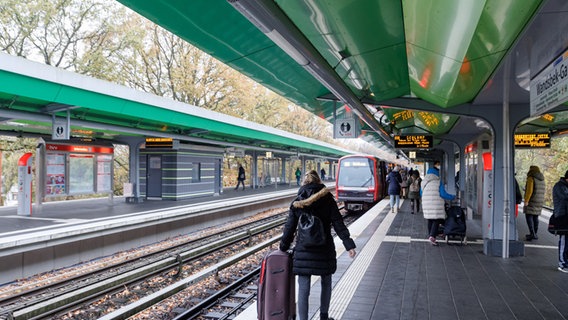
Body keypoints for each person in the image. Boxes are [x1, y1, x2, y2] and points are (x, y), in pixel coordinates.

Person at [280, 170, 356, 320]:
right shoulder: (328, 199)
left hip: (303, 249)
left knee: (303, 287)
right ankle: (324, 316)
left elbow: (289, 228)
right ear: (319, 181)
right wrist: (349, 245)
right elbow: (338, 223)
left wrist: (283, 247)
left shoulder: (297, 201)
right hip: (324, 248)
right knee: (326, 282)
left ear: (304, 183)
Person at [421, 161, 455, 246]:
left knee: (430, 219)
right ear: (436, 174)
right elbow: (443, 194)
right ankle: (432, 236)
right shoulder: (438, 182)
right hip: (435, 204)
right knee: (436, 219)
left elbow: (421, 194)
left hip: (426, 204)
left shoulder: (423, 182)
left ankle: (431, 235)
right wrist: (452, 197)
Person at [523, 165, 545, 241]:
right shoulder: (542, 179)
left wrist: (526, 201)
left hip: (532, 200)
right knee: (535, 217)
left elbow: (529, 191)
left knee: (528, 215)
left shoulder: (531, 178)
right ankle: (534, 233)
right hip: (540, 201)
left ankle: (532, 233)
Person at [552, 170, 568, 273]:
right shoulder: (559, 186)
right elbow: (565, 198)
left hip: (566, 216)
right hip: (562, 217)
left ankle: (565, 262)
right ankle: (561, 264)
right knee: (564, 241)